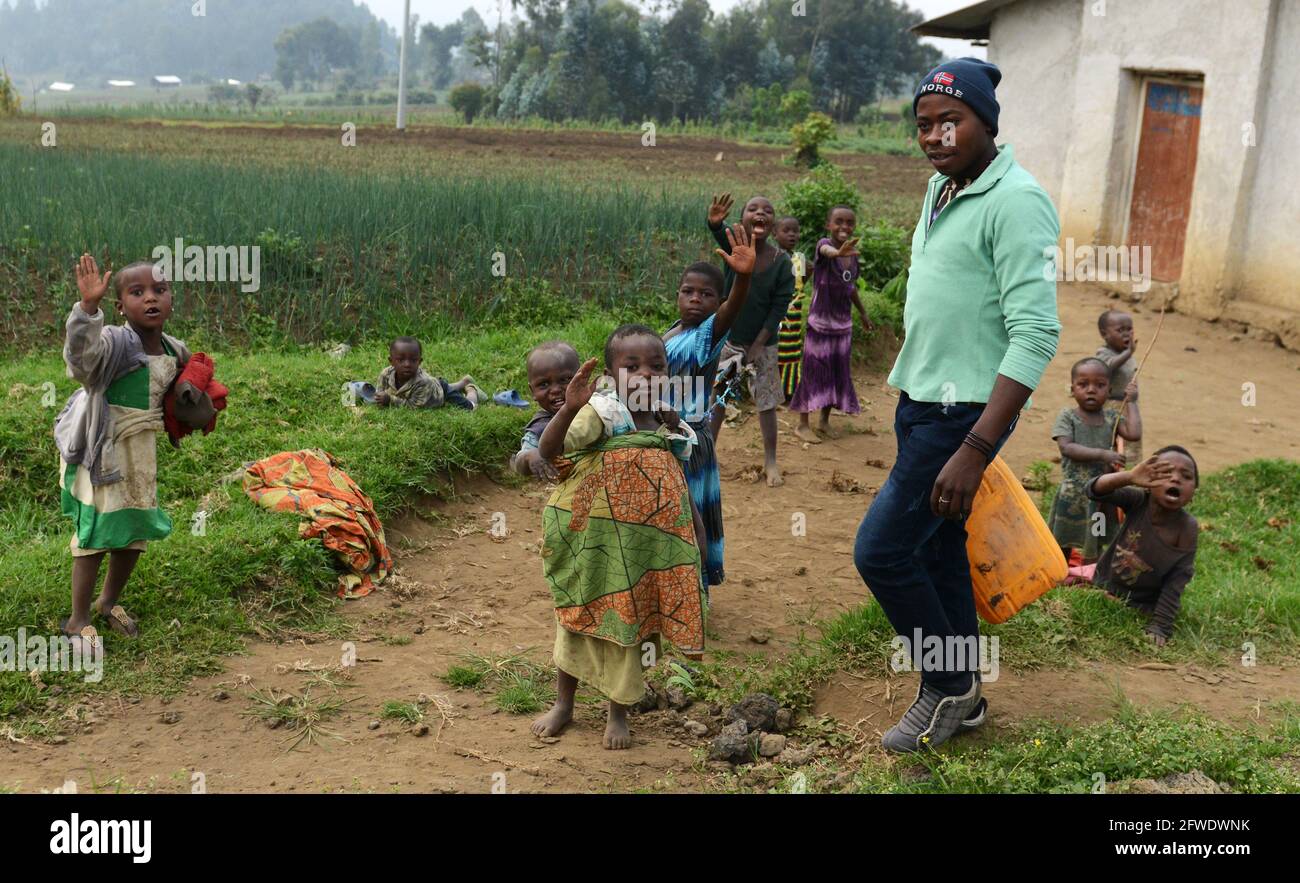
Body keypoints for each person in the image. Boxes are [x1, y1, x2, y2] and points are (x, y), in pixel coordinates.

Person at [853, 58, 1061, 752]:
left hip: (962, 417)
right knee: (938, 545)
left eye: (952, 121)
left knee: (881, 551)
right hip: (920, 401)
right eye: (924, 125)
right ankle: (965, 694)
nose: (937, 136)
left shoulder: (1016, 200)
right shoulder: (942, 189)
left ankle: (946, 687)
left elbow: (1036, 333)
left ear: (986, 123)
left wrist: (975, 448)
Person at [530, 330, 705, 749]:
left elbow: (678, 482)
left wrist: (697, 534)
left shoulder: (667, 420)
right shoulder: (601, 413)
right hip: (595, 546)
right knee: (576, 620)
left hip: (642, 554)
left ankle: (617, 712)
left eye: (656, 367)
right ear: (610, 374)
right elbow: (549, 450)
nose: (645, 374)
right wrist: (570, 409)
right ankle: (564, 705)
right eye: (631, 367)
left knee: (631, 627)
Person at [54, 255, 192, 650]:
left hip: (140, 455)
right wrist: (87, 310)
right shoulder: (114, 341)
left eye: (159, 290)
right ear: (120, 306)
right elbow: (82, 362)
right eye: (137, 292)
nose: (150, 299)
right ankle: (77, 619)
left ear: (170, 298)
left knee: (133, 530)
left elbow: (182, 392)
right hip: (103, 451)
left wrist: (197, 403)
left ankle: (107, 602)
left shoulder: (173, 348)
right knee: (96, 534)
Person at [663, 224, 756, 591]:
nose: (695, 300)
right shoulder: (672, 332)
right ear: (677, 295)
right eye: (688, 292)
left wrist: (742, 282)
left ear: (718, 303)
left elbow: (732, 310)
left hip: (687, 442)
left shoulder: (707, 336)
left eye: (706, 295)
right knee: (673, 516)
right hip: (667, 439)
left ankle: (693, 591)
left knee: (688, 517)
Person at [706, 193, 795, 487]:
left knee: (766, 403)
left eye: (767, 210)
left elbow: (778, 307)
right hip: (728, 339)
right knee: (717, 399)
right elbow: (719, 233)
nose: (760, 213)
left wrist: (759, 344)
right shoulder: (736, 249)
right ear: (742, 219)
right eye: (753, 209)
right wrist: (714, 223)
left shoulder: (781, 263)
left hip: (764, 343)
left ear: (773, 224)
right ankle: (708, 457)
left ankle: (770, 461)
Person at [1082, 448, 1200, 646]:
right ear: (1147, 482)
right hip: (1102, 585)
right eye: (1166, 473)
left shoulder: (1186, 528)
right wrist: (1129, 477)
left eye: (1186, 476)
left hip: (1142, 604)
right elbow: (1093, 490)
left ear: (1194, 491)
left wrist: (1160, 626)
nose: (1176, 479)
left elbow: (1176, 580)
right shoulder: (1138, 501)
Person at [789, 205, 873, 444]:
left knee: (837, 374)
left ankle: (824, 421)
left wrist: (864, 314)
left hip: (843, 326)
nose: (844, 227)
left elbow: (851, 288)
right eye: (839, 222)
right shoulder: (823, 245)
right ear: (829, 225)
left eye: (849, 222)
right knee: (813, 373)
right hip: (820, 325)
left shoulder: (853, 256)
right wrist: (837, 254)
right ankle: (803, 424)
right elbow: (826, 250)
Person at [1048, 358, 1141, 564]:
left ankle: (1092, 572)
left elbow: (1134, 433)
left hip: (1101, 495)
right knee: (1064, 534)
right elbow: (1067, 447)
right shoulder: (1068, 416)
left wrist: (1132, 403)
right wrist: (1103, 454)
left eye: (1100, 385)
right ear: (1072, 389)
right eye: (1083, 384)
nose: (1091, 390)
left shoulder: (1111, 418)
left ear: (1109, 391)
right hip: (1073, 492)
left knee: (1096, 532)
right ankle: (1058, 569)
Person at [510, 340, 580, 480]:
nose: (555, 390)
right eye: (544, 384)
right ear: (532, 391)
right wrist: (530, 456)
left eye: (565, 380)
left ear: (581, 377)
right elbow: (518, 463)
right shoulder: (541, 426)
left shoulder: (598, 406)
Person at [375, 337, 484, 410]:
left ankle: (471, 389)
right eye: (400, 360)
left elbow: (413, 406)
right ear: (391, 361)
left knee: (470, 407)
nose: (407, 364)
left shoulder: (423, 382)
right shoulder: (386, 374)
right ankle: (463, 382)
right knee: (441, 384)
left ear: (420, 361)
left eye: (413, 360)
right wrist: (378, 397)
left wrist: (390, 400)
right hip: (434, 385)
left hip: (441, 393)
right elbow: (379, 392)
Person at [1095, 309, 1142, 466]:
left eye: (1129, 329)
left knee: (1131, 444)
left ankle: (1131, 471)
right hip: (1111, 406)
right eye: (1120, 330)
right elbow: (1105, 368)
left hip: (1129, 406)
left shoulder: (1127, 355)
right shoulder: (1103, 353)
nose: (1126, 334)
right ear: (1104, 334)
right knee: (1111, 441)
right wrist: (1127, 353)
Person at [773, 216, 808, 402]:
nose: (792, 234)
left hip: (794, 317)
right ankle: (774, 392)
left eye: (795, 231)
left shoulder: (799, 258)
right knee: (776, 351)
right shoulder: (773, 257)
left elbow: (801, 284)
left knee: (792, 351)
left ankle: (789, 390)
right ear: (775, 234)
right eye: (786, 231)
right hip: (777, 316)